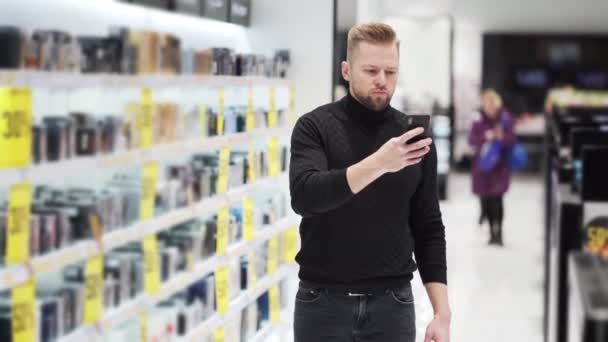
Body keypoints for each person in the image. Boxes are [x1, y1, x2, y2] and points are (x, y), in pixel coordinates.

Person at [289, 23, 450, 342]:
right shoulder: (314, 127)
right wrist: (379, 163)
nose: (382, 80)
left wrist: (442, 313)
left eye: (390, 72)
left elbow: (428, 226)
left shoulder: (412, 138)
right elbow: (306, 196)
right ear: (346, 71)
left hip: (392, 304)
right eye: (371, 70)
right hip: (322, 303)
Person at [468, 89, 516, 246]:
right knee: (486, 200)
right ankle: (491, 232)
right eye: (486, 106)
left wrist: (501, 137)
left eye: (492, 106)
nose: (489, 109)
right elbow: (472, 140)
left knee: (498, 199)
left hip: (499, 166)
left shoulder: (505, 118)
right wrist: (485, 136)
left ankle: (499, 232)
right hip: (482, 167)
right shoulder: (478, 119)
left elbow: (512, 139)